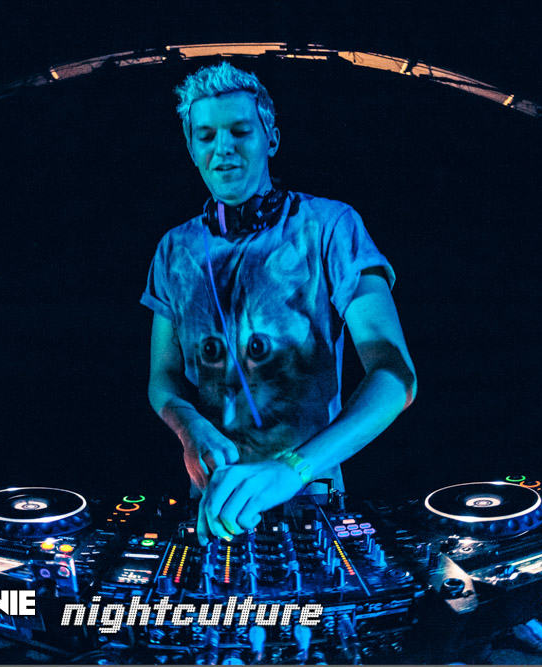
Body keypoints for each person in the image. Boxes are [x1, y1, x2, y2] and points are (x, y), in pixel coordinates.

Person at [142, 62, 416, 544]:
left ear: (271, 138)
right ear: (191, 148)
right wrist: (189, 427)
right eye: (206, 136)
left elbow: (395, 377)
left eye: (240, 131)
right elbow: (163, 376)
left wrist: (292, 468)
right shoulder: (173, 249)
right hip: (213, 504)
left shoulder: (332, 225)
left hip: (310, 498)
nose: (223, 148)